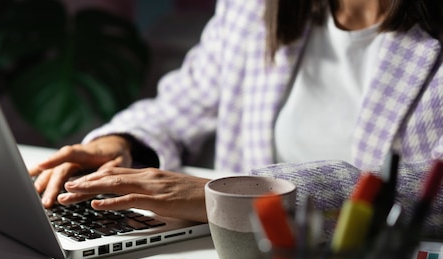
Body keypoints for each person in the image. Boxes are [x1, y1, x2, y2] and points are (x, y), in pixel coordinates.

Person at [29, 0, 443, 237]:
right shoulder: (256, 7)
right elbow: (181, 104)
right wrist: (119, 144)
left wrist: (238, 194)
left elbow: (433, 191)